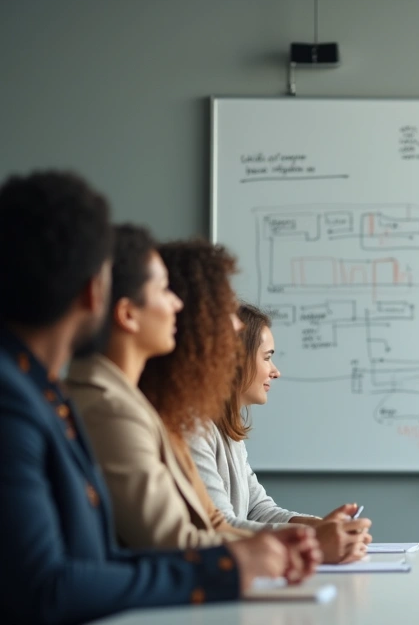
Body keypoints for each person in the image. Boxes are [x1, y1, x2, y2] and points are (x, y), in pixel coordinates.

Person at [0, 171, 318, 624]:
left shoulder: (49, 395)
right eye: (164, 291)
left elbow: (98, 562)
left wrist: (255, 553)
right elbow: (48, 587)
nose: (176, 306)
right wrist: (231, 566)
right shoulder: (32, 402)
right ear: (98, 293)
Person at [69, 238, 252, 549]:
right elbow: (173, 541)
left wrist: (299, 541)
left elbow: (214, 522)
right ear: (127, 314)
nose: (176, 305)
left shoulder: (154, 409)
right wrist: (293, 549)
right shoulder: (112, 410)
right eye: (165, 291)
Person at [190, 303, 373, 563]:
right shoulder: (195, 430)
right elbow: (221, 525)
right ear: (234, 360)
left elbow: (258, 509)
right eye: (266, 357)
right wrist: (313, 539)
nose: (276, 371)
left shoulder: (229, 431)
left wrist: (317, 526)